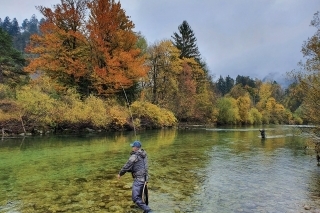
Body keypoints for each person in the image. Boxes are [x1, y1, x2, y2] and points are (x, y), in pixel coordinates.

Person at [118, 141, 153, 213]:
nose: (132, 147)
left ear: (136, 148)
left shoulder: (134, 156)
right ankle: (143, 208)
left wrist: (120, 174)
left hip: (139, 179)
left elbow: (126, 166)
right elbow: (139, 166)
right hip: (145, 178)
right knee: (141, 196)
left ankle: (149, 211)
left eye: (133, 146)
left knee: (135, 198)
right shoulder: (144, 154)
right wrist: (131, 170)